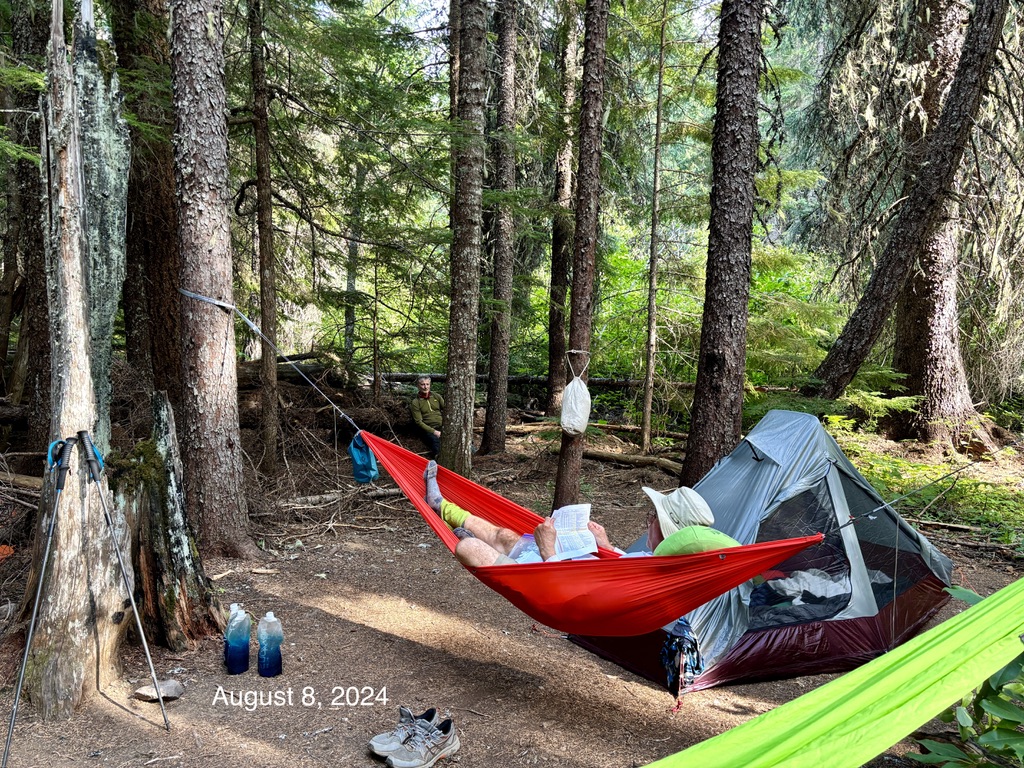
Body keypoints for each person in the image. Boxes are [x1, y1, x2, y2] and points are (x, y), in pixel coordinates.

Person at [423, 461, 736, 567]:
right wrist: (607, 543)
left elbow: (577, 600)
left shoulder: (654, 577)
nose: (648, 522)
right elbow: (622, 563)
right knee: (504, 535)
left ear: (670, 531)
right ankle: (442, 507)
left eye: (653, 518)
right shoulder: (652, 561)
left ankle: (460, 533)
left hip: (536, 578)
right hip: (555, 559)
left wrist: (548, 550)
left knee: (468, 547)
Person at [409, 375, 444, 458]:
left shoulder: (436, 396)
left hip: (442, 425)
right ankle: (437, 462)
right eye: (423, 384)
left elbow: (447, 410)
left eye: (427, 384)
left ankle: (473, 454)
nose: (425, 387)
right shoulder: (416, 402)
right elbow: (419, 422)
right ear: (418, 386)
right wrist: (434, 431)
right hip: (428, 429)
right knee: (436, 443)